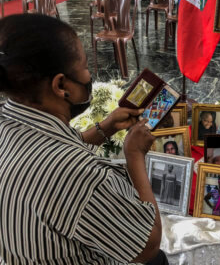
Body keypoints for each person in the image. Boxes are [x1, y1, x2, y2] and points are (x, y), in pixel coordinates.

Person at [0, 14, 167, 264]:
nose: (89, 77)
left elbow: (50, 145)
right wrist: (134, 156)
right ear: (60, 85)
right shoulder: (81, 174)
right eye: (86, 66)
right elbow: (148, 245)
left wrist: (104, 128)